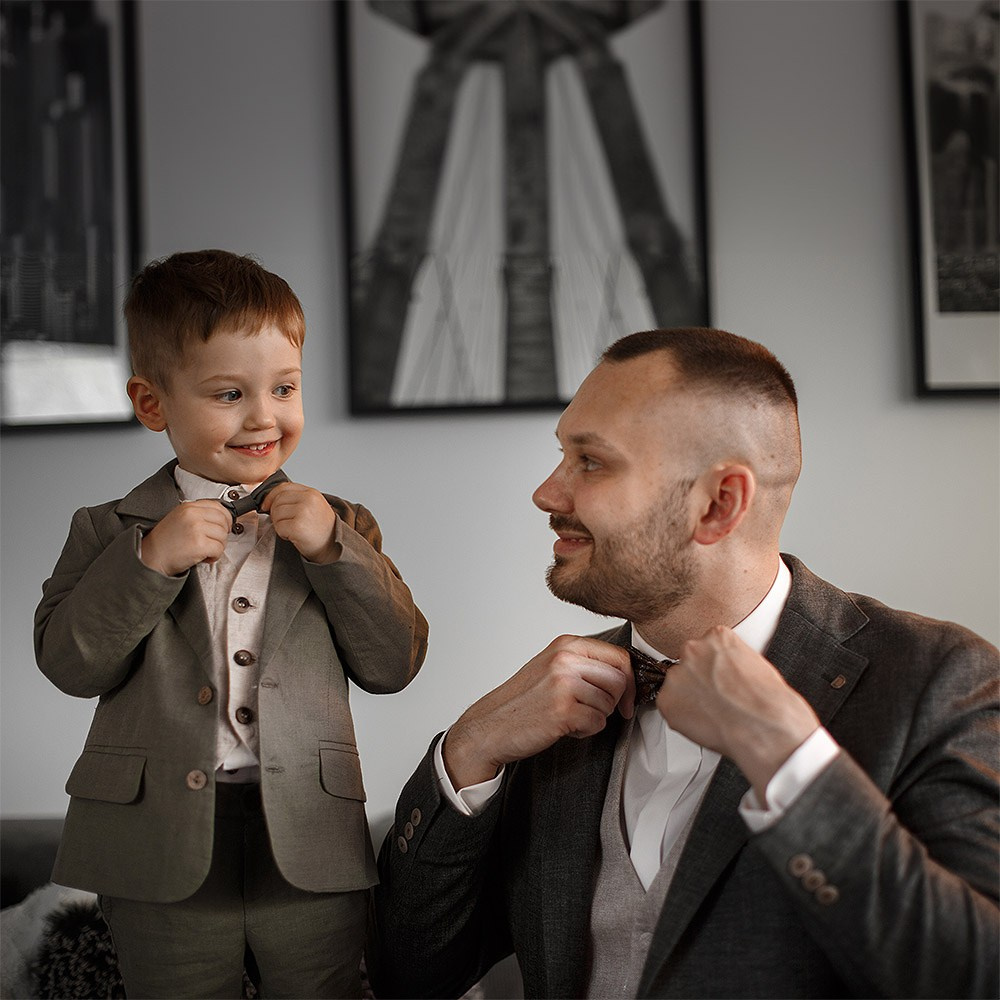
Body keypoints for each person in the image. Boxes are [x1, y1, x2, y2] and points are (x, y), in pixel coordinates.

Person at [372, 327, 999, 999]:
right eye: (563, 455)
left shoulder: (937, 678)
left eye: (591, 462)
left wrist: (790, 759)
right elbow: (409, 974)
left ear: (718, 504)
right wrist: (471, 749)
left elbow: (975, 975)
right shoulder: (546, 710)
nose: (547, 494)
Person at [34, 249, 429, 999]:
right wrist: (149, 562)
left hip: (308, 838)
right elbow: (69, 663)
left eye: (284, 388)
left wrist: (332, 549)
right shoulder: (106, 530)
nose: (264, 417)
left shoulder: (344, 525)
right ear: (153, 405)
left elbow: (394, 663)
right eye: (228, 394)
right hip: (157, 843)